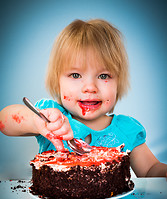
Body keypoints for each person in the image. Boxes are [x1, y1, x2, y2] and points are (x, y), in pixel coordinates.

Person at [0, 19, 167, 177]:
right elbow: (5, 121)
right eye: (75, 75)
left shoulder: (126, 129)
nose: (90, 88)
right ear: (57, 82)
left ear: (118, 82)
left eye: (103, 76)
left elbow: (150, 169)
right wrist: (36, 121)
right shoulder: (51, 118)